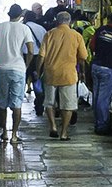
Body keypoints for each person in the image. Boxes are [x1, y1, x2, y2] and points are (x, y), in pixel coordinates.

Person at [0, 3, 37, 142]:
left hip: (2, 68)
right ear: (21, 15)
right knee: (17, 103)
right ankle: (14, 135)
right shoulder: (24, 28)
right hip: (18, 69)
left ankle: (4, 132)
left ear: (9, 14)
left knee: (2, 102)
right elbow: (31, 50)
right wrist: (26, 64)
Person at [39, 12, 91, 141]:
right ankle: (63, 133)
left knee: (49, 102)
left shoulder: (49, 34)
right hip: (68, 74)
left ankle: (53, 126)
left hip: (51, 72)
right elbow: (83, 57)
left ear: (57, 21)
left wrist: (38, 69)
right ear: (70, 22)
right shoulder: (76, 36)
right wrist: (82, 72)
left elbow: (41, 56)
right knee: (67, 104)